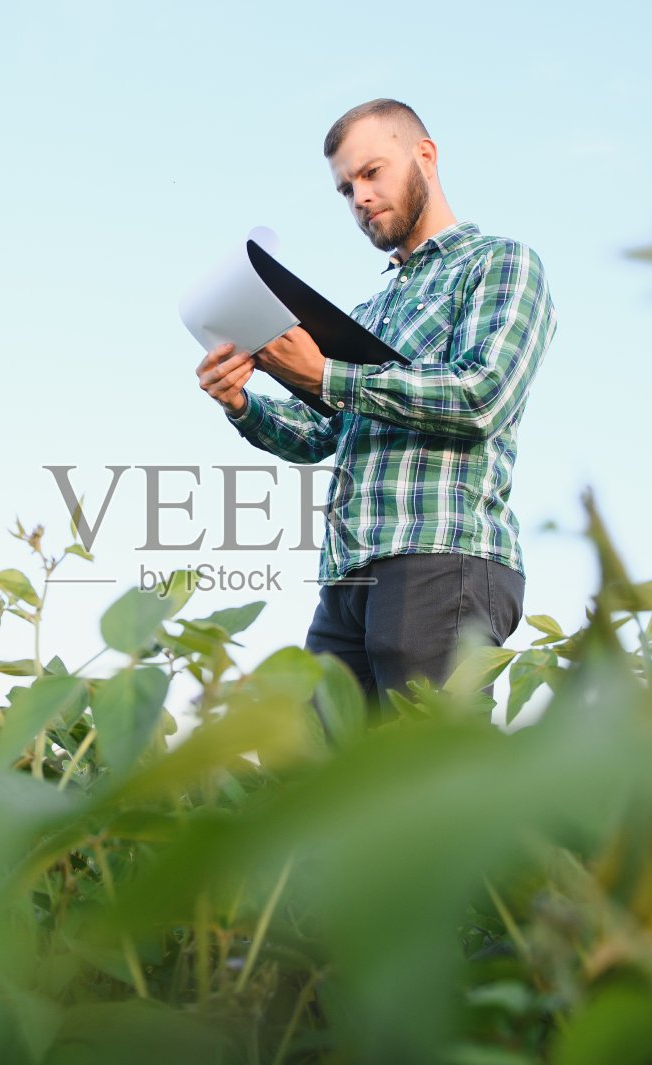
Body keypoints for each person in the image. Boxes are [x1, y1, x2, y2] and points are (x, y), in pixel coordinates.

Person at [195, 98, 558, 709]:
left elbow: (481, 396)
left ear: (425, 156)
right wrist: (241, 404)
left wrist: (327, 374)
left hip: (441, 556)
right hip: (348, 575)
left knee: (431, 758)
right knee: (322, 761)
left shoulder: (499, 263)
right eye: (345, 189)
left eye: (371, 173)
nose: (359, 197)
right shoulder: (370, 311)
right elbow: (320, 434)